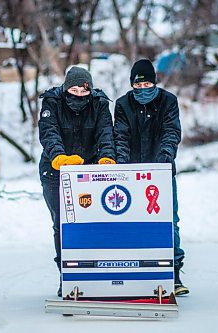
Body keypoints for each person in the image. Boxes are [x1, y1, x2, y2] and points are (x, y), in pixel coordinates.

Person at [113, 59, 189, 296]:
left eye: (147, 84)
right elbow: (121, 136)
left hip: (162, 173)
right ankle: (136, 270)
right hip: (132, 176)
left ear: (154, 82)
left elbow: (171, 132)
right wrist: (123, 166)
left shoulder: (168, 101)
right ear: (132, 84)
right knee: (131, 222)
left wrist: (163, 160)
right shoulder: (123, 104)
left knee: (168, 221)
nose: (143, 89)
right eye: (139, 84)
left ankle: (174, 273)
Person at [39, 66, 116, 297]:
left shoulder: (100, 104)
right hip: (56, 172)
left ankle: (94, 274)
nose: (79, 95)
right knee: (63, 225)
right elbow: (48, 131)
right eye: (73, 90)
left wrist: (107, 156)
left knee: (93, 224)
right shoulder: (52, 102)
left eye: (84, 91)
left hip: (89, 173)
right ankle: (67, 276)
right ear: (65, 88)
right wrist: (59, 157)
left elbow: (105, 132)